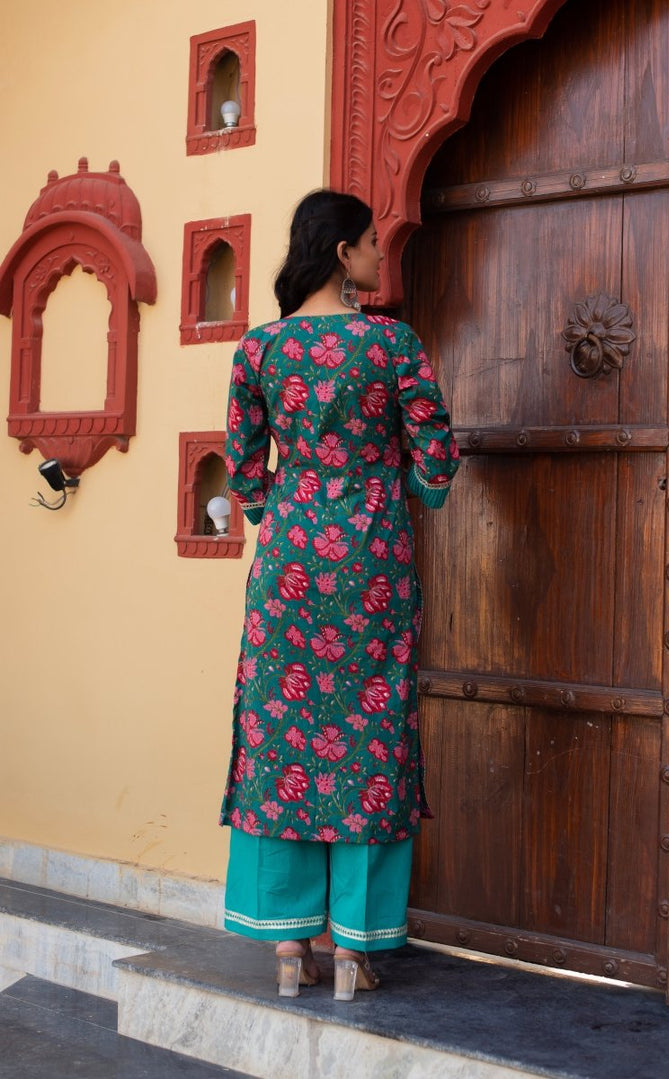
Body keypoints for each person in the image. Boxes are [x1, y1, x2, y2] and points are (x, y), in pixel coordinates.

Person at [220, 189, 459, 1000]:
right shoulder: (389, 344)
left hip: (288, 563)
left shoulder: (258, 352)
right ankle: (355, 948)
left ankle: (290, 949)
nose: (378, 260)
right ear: (345, 253)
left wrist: (279, 510)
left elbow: (245, 468)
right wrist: (416, 487)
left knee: (278, 729)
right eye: (372, 246)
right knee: (371, 734)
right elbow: (435, 455)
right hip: (372, 563)